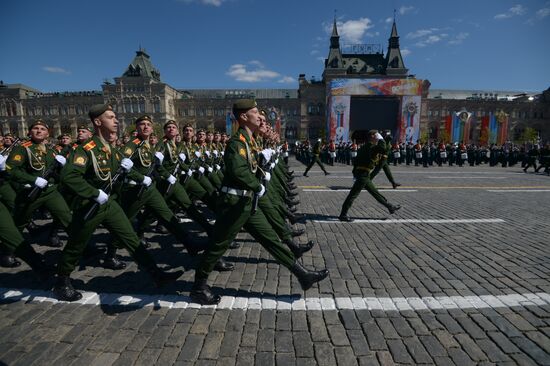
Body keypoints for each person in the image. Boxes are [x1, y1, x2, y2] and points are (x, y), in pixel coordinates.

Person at [190, 99, 329, 305]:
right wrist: (257, 185)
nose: (260, 116)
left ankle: (302, 274)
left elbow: (251, 168)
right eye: (255, 112)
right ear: (244, 117)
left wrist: (261, 171)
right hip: (234, 203)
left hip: (247, 202)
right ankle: (198, 287)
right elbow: (238, 171)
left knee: (270, 238)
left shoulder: (248, 140)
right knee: (218, 245)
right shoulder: (237, 142)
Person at [54, 104, 182, 301]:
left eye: (115, 117)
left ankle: (156, 274)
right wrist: (93, 193)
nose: (115, 121)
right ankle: (62, 280)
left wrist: (136, 175)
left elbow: (125, 170)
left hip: (110, 203)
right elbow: (69, 177)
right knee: (76, 244)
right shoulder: (86, 149)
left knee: (131, 238)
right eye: (110, 117)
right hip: (90, 205)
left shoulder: (111, 150)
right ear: (98, 122)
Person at [339, 130, 401, 222]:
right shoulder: (370, 146)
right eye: (376, 135)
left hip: (364, 174)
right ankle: (343, 214)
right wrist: (381, 139)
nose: (377, 136)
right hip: (363, 174)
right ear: (372, 136)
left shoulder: (366, 146)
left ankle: (390, 206)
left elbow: (383, 151)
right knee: (353, 194)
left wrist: (355, 173)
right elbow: (383, 150)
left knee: (375, 192)